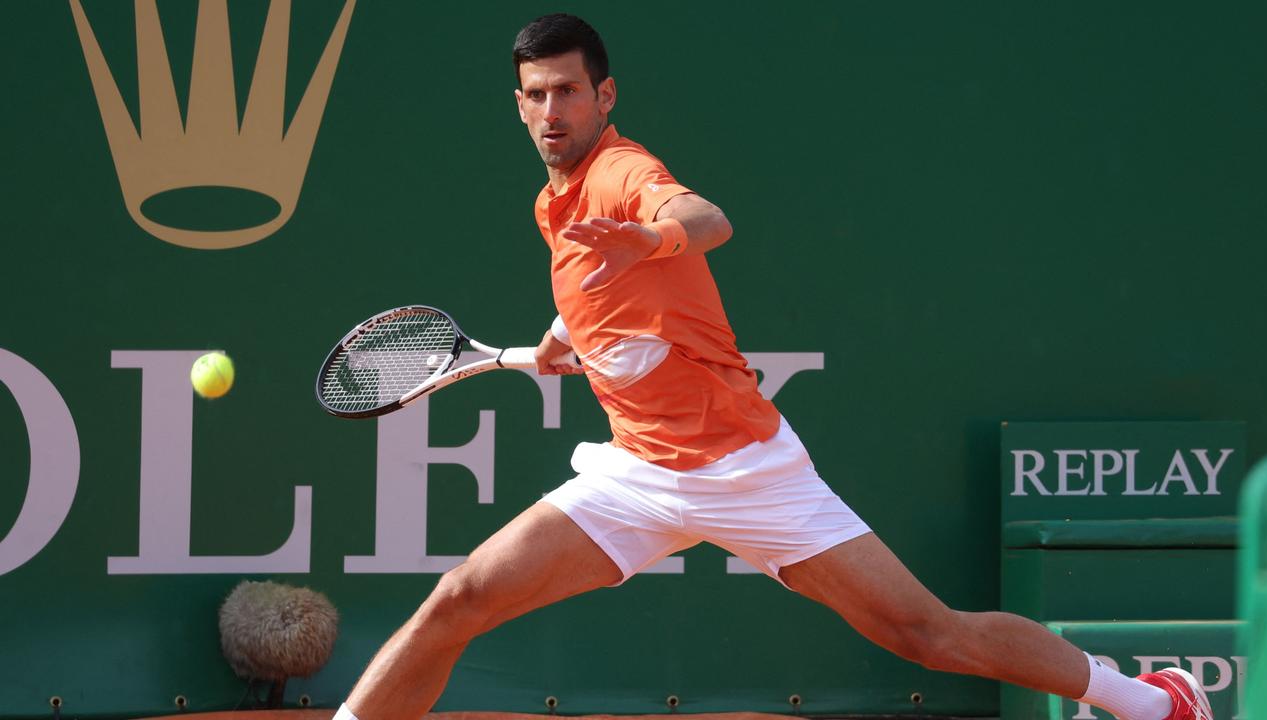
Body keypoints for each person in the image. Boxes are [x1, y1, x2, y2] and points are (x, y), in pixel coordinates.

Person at [333, 14, 1213, 720]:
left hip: (747, 470)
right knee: (458, 600)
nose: (553, 109)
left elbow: (704, 219)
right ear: (519, 107)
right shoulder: (553, 204)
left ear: (605, 95)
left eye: (569, 90)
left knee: (928, 633)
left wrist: (652, 235)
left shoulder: (624, 172)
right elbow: (608, 299)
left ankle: (1150, 701)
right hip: (634, 474)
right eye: (536, 94)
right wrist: (569, 331)